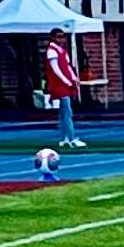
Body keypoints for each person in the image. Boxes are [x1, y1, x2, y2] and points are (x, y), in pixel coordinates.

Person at [40, 28, 84, 177]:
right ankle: (71, 138)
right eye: (58, 36)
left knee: (64, 111)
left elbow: (68, 67)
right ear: (52, 37)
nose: (61, 39)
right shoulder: (51, 51)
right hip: (59, 85)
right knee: (67, 111)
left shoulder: (62, 51)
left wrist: (74, 78)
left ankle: (64, 137)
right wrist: (66, 81)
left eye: (63, 36)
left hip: (65, 83)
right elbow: (56, 69)